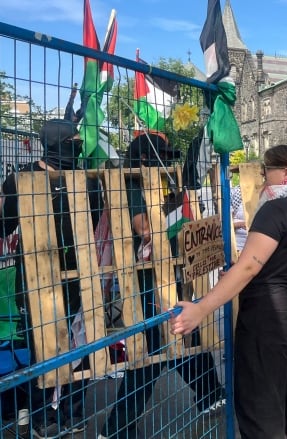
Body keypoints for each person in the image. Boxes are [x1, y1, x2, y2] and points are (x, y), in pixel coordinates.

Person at [172, 144, 287, 439]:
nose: (265, 177)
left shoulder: (276, 208)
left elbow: (248, 268)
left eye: (268, 170)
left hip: (271, 318)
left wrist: (201, 308)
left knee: (261, 399)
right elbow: (285, 258)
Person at [98, 132, 226, 439]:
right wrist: (175, 221)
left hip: (165, 277)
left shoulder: (155, 182)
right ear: (145, 159)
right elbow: (144, 228)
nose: (167, 162)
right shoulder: (130, 184)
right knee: (153, 351)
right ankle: (116, 429)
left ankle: (211, 394)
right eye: (162, 156)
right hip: (143, 282)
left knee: (184, 335)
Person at [0, 119, 102, 438]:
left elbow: (94, 217)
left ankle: (71, 411)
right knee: (41, 350)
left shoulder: (85, 178)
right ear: (56, 143)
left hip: (77, 279)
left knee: (79, 346)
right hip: (35, 282)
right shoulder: (21, 178)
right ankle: (43, 416)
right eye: (72, 140)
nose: (78, 145)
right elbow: (4, 225)